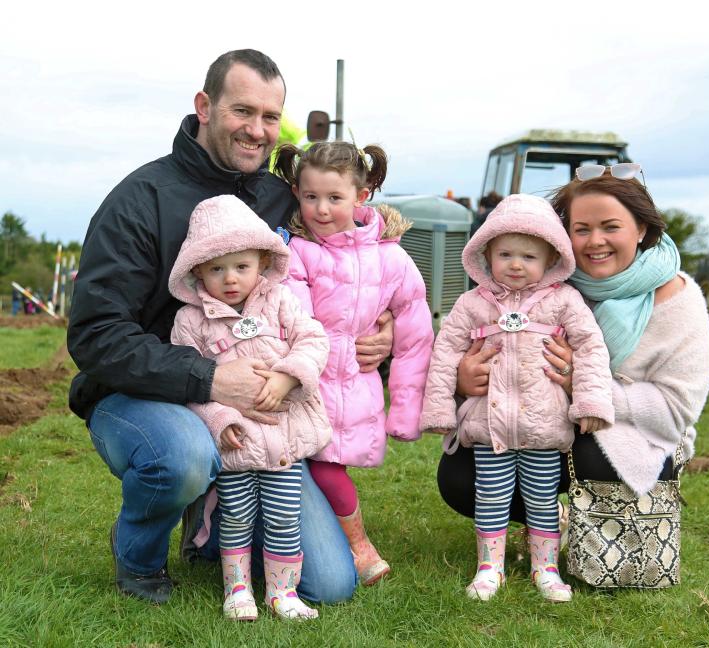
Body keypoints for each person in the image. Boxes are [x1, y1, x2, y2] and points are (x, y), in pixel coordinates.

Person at [67, 49, 391, 605]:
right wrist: (210, 381)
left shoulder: (275, 199)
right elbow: (95, 335)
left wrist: (376, 323)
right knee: (183, 456)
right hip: (141, 395)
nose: (258, 130)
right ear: (204, 107)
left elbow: (340, 255)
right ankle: (140, 556)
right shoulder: (138, 202)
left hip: (261, 406)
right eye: (243, 111)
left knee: (331, 585)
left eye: (271, 116)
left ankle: (215, 522)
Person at [438, 166, 709, 571]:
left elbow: (676, 409)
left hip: (635, 431)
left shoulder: (677, 300)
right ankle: (548, 521)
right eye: (581, 229)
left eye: (610, 227)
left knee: (598, 455)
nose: (595, 241)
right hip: (535, 416)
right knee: (462, 476)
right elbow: (478, 346)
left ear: (641, 229)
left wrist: (582, 386)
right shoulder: (541, 284)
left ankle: (595, 529)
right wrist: (465, 379)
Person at [420, 194, 614, 602]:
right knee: (490, 495)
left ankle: (546, 568)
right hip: (490, 427)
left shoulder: (563, 301)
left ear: (550, 260)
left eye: (529, 256)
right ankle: (490, 568)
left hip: (544, 425)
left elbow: (591, 348)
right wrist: (440, 406)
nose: (516, 264)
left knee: (541, 498)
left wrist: (590, 401)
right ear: (485, 254)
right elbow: (445, 354)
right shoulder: (472, 304)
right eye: (505, 253)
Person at [274, 141, 434, 585]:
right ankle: (349, 545)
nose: (320, 209)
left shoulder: (391, 259)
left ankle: (355, 545)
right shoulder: (296, 253)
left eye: (334, 198)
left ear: (361, 197)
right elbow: (296, 318)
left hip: (351, 391)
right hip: (303, 384)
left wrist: (405, 409)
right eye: (310, 197)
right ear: (296, 192)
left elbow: (416, 334)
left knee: (328, 466)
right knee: (303, 467)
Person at [169, 195, 332, 620]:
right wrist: (219, 418)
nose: (230, 279)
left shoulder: (281, 301)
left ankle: (283, 593)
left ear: (261, 261)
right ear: (198, 270)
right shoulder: (191, 321)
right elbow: (188, 386)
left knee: (283, 518)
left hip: (282, 440)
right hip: (236, 446)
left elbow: (314, 341)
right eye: (216, 269)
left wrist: (288, 374)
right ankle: (237, 591)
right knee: (236, 518)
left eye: (241, 266)